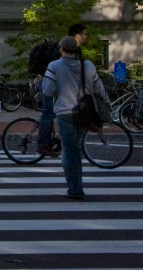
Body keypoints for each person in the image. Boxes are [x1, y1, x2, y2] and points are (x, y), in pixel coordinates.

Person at [43, 35, 107, 200]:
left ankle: (75, 189)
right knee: (76, 148)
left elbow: (48, 90)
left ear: (61, 49)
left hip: (65, 112)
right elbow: (99, 89)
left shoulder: (54, 66)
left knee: (70, 151)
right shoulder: (88, 65)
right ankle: (76, 185)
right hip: (85, 113)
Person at [35, 23, 88, 153]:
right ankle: (43, 144)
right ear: (77, 35)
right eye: (84, 34)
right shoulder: (62, 49)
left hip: (61, 88)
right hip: (50, 85)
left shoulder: (73, 50)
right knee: (49, 114)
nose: (86, 37)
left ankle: (64, 140)